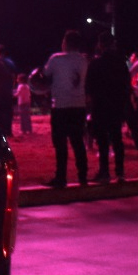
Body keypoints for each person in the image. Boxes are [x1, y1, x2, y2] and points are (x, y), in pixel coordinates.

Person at [38, 29, 89, 188]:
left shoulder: (56, 59)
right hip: (79, 106)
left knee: (60, 145)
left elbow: (45, 76)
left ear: (65, 43)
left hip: (60, 106)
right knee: (78, 142)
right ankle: (83, 176)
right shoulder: (83, 60)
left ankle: (61, 177)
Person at [85, 35, 132, 184]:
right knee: (117, 139)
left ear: (100, 45)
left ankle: (104, 172)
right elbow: (126, 86)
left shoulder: (96, 63)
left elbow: (89, 87)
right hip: (116, 105)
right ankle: (120, 173)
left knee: (103, 140)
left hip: (100, 105)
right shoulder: (121, 63)